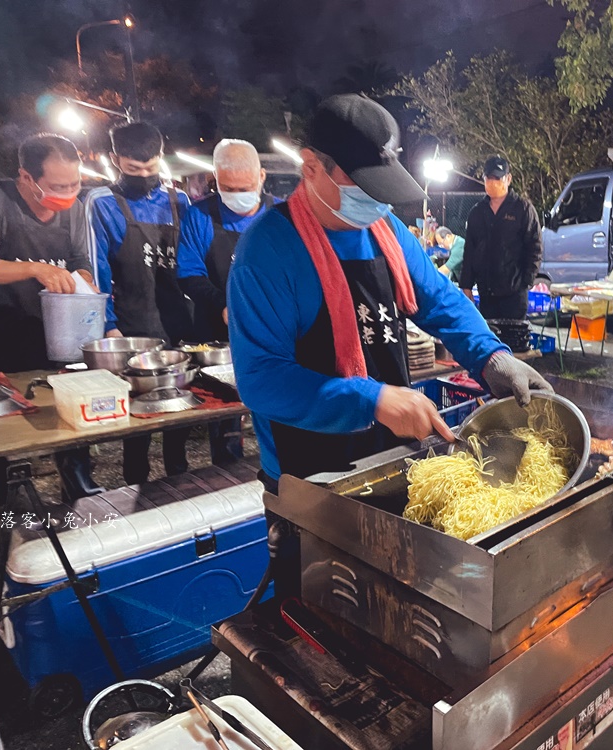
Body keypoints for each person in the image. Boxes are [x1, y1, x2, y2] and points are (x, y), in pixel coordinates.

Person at [227, 95, 552, 591]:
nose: (378, 204)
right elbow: (261, 380)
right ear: (311, 167)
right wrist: (372, 399)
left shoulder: (385, 230)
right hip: (310, 479)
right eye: (365, 188)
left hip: (390, 461)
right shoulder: (266, 253)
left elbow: (440, 298)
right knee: (317, 608)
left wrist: (491, 356)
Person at [0, 133, 99, 501]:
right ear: (25, 177)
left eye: (75, 183)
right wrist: (33, 269)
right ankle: (10, 498)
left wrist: (84, 280)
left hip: (52, 329)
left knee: (67, 407)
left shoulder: (75, 209)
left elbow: (80, 259)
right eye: (57, 186)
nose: (68, 193)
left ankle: (77, 484)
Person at [86, 122, 194, 485]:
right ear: (116, 160)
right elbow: (97, 270)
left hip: (178, 320)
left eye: (151, 169)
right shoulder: (102, 203)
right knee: (138, 419)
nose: (144, 176)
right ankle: (136, 481)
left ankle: (179, 474)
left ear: (161, 159)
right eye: (134, 169)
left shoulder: (180, 200)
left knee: (179, 407)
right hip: (132, 326)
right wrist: (108, 326)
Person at [177, 139, 280, 466]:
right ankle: (229, 472)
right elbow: (189, 274)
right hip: (216, 336)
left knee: (277, 409)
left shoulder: (281, 216)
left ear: (262, 176)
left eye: (246, 187)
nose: (238, 194)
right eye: (228, 188)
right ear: (216, 181)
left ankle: (280, 473)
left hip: (274, 335)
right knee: (225, 419)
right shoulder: (199, 216)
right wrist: (224, 305)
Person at [460, 155, 543, 320]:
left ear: (508, 179)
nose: (493, 182)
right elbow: (469, 250)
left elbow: (535, 248)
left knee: (513, 343)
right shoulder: (477, 212)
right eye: (489, 178)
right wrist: (466, 285)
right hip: (486, 295)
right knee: (489, 341)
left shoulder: (523, 209)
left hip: (514, 295)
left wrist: (526, 282)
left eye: (497, 178)